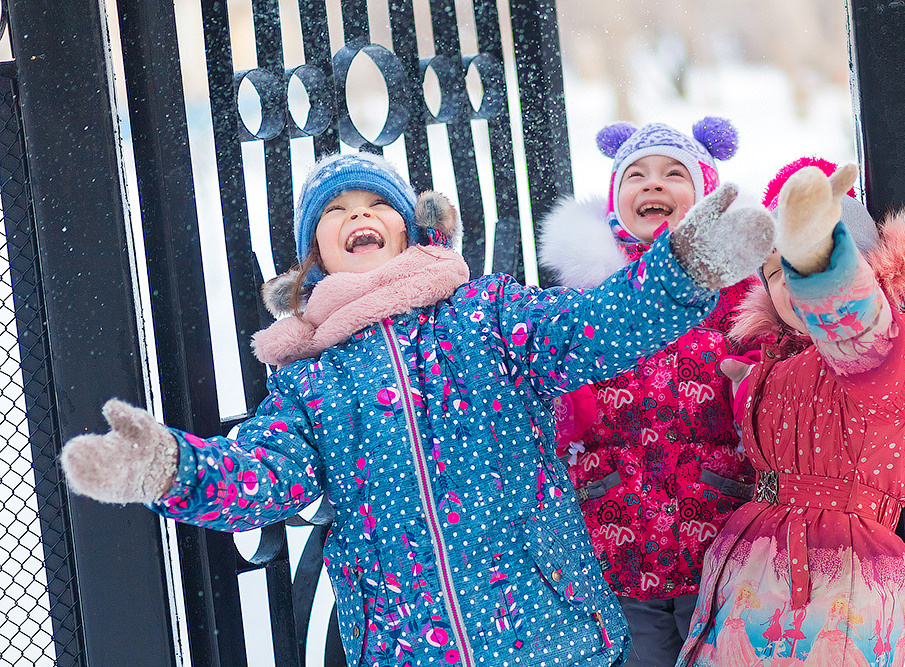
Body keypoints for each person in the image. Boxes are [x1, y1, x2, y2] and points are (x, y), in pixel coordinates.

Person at [59, 151, 776, 667]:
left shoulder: (485, 314)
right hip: (409, 645)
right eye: (337, 214)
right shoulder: (312, 382)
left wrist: (681, 267)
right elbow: (261, 474)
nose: (358, 217)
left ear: (407, 231)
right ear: (317, 257)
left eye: (375, 207)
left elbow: (590, 328)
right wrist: (170, 469)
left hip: (549, 630)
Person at [676, 162, 905, 666]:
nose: (794, 285)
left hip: (835, 579)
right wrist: (747, 389)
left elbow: (861, 334)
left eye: (809, 268)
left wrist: (829, 278)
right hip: (753, 567)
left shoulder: (899, 346)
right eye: (779, 273)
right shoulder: (776, 361)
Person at [536, 118, 757, 666]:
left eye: (673, 174)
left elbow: (768, 379)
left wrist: (751, 382)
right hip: (615, 529)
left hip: (718, 527)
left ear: (707, 195)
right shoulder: (589, 298)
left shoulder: (739, 296)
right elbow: (552, 381)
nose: (653, 184)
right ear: (615, 201)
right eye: (636, 174)